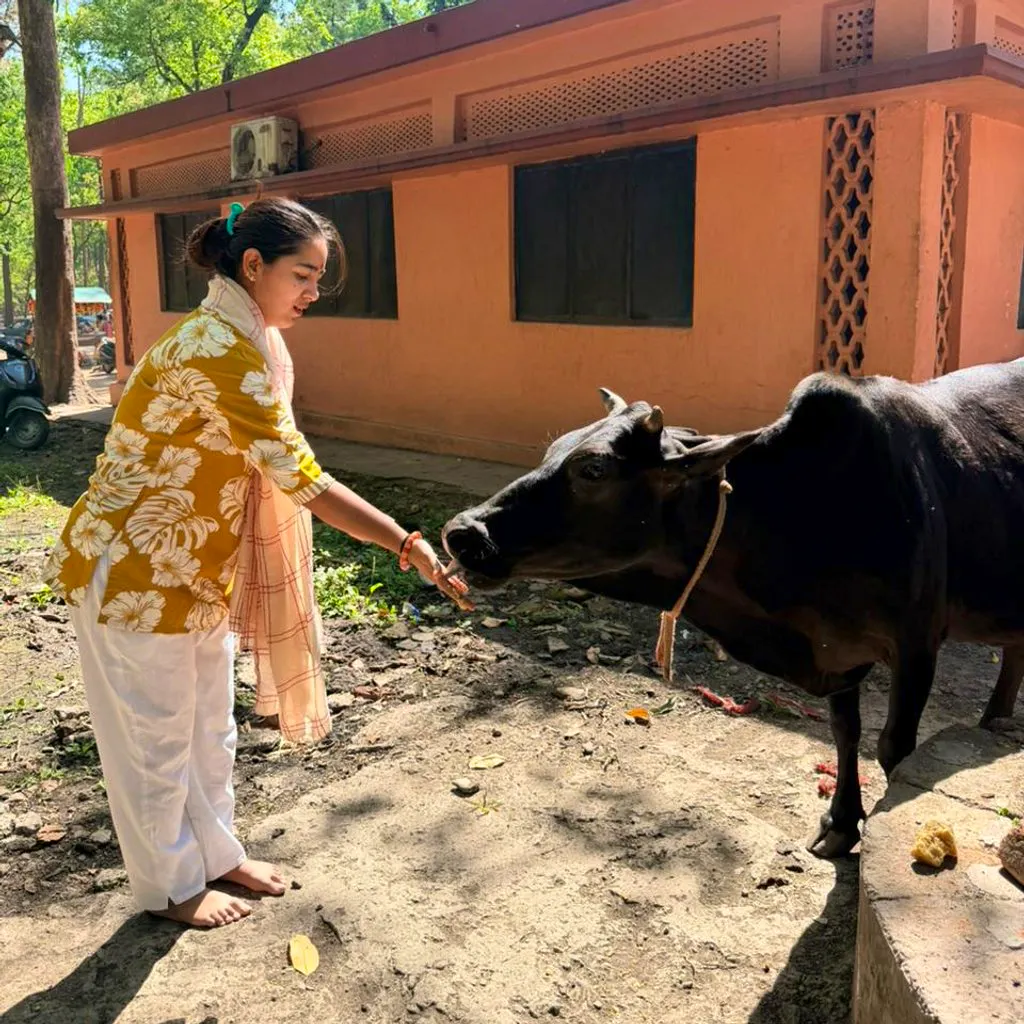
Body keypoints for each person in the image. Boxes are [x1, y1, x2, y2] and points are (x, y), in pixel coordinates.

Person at [43, 197, 468, 929]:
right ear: (252, 265)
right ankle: (170, 887)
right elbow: (302, 480)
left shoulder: (246, 339)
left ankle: (214, 854)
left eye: (317, 280)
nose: (311, 294)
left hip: (193, 565)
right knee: (153, 739)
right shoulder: (218, 347)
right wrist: (405, 541)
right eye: (303, 275)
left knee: (208, 729)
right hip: (135, 571)